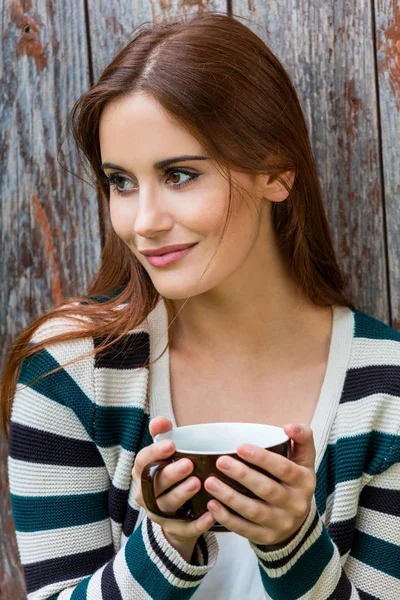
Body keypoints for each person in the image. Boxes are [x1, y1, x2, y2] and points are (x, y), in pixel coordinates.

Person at [1, 11, 399, 600]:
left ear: (277, 171)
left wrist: (294, 545)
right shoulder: (69, 372)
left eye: (181, 175)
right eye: (121, 182)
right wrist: (164, 546)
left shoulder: (386, 390)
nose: (144, 222)